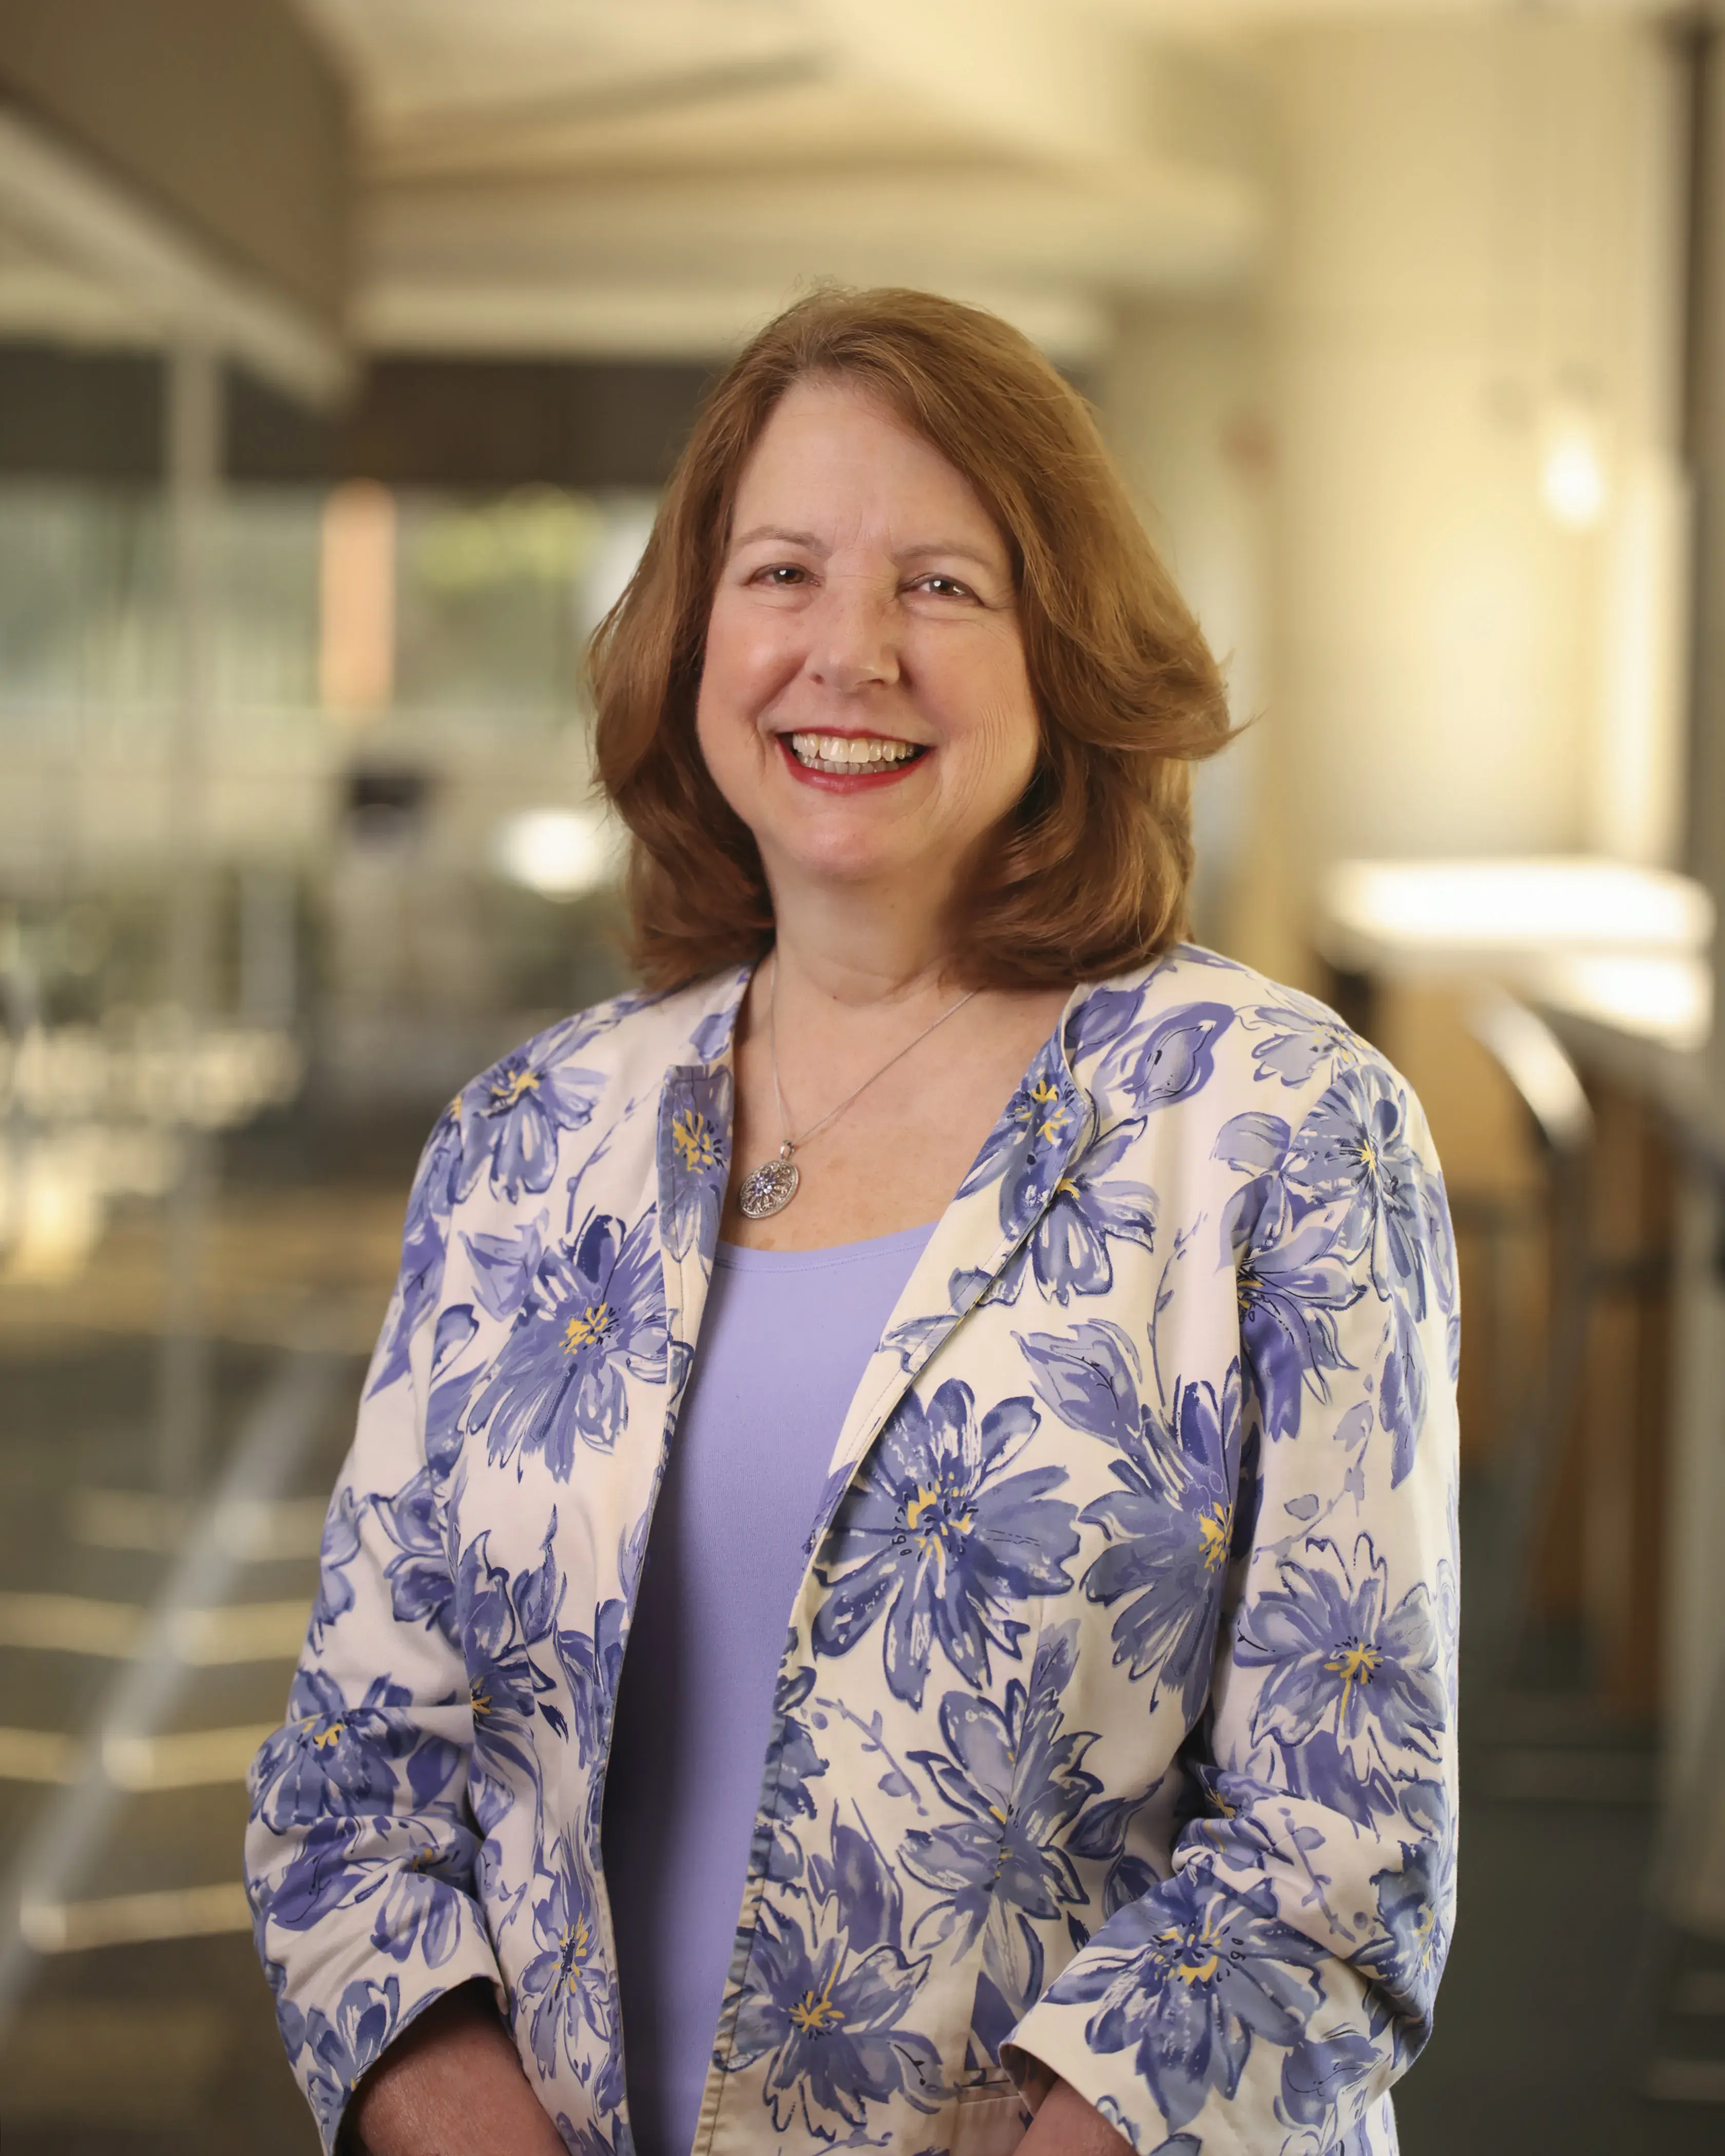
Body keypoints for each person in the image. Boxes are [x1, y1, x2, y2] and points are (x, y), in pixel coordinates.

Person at [245, 287, 1458, 2156]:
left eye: (943, 588)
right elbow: (351, 1795)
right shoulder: (525, 1144)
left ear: (1064, 652)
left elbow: (1336, 1861)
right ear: (695, 635)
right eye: (785, 573)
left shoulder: (1280, 1128)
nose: (851, 651)